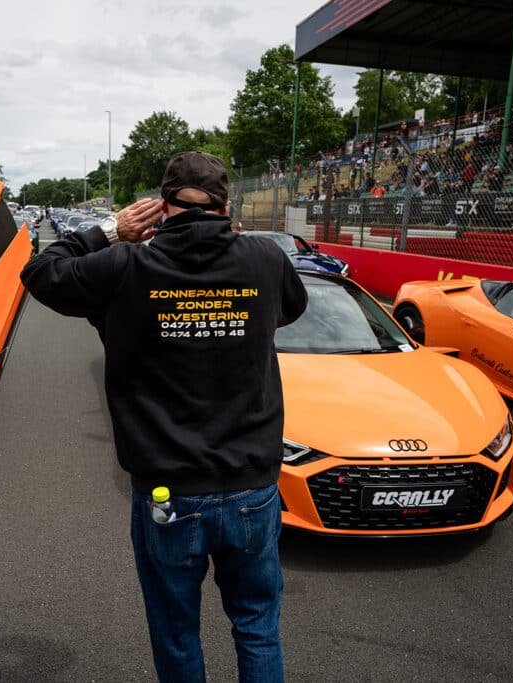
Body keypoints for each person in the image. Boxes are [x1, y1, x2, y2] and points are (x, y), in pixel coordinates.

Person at [21, 152, 307, 682]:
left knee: (177, 632)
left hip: (167, 493)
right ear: (227, 207)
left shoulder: (127, 267)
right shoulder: (264, 259)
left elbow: (40, 272)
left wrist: (110, 231)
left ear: (159, 207)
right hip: (251, 487)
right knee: (257, 626)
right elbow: (290, 308)